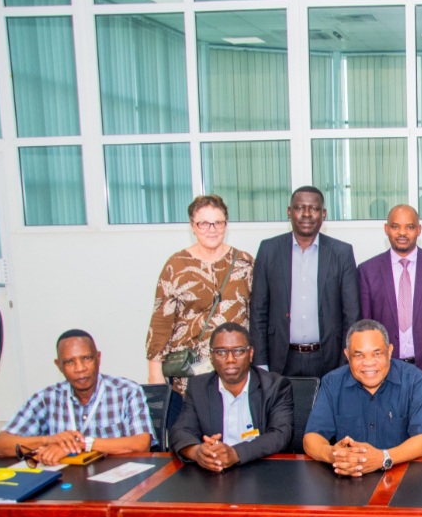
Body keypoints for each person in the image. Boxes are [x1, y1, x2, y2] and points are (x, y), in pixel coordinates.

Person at [147, 194, 254, 406]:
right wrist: (155, 374)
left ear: (226, 224)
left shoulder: (245, 263)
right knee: (189, 434)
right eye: (204, 223)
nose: (212, 229)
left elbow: (258, 313)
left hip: (235, 371)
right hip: (189, 374)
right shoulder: (176, 266)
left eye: (218, 222)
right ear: (192, 226)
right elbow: (161, 322)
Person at [0, 330, 154, 465]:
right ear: (59, 365)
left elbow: (141, 443)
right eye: (69, 362)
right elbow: (0, 444)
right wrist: (49, 441)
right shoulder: (47, 398)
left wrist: (81, 444)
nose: (80, 369)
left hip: (117, 486)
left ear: (98, 358)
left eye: (86, 358)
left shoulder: (127, 391)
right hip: (65, 484)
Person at [250, 186, 360, 379]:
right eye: (300, 208)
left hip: (328, 359)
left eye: (314, 208)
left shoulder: (341, 253)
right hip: (280, 359)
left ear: (323, 214)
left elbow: (351, 314)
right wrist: (260, 363)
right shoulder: (269, 250)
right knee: (280, 410)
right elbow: (258, 311)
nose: (307, 214)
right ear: (289, 212)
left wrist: (347, 361)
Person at [303, 320, 422, 476]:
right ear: (347, 355)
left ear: (390, 351)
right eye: (359, 355)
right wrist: (333, 454)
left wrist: (383, 457)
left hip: (403, 477)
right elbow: (311, 438)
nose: (369, 363)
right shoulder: (332, 383)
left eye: (377, 353)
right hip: (347, 481)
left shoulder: (415, 380)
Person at [169, 323, 294, 472]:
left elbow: (280, 435)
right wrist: (198, 452)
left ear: (251, 353)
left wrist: (236, 453)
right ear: (211, 356)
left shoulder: (275, 386)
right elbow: (180, 430)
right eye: (221, 352)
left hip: (261, 472)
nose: (230, 359)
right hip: (213, 474)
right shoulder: (198, 387)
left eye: (239, 351)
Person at [358, 204, 422, 391]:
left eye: (409, 227)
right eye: (395, 226)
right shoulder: (367, 271)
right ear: (386, 229)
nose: (402, 232)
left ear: (419, 230)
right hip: (383, 372)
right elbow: (365, 328)